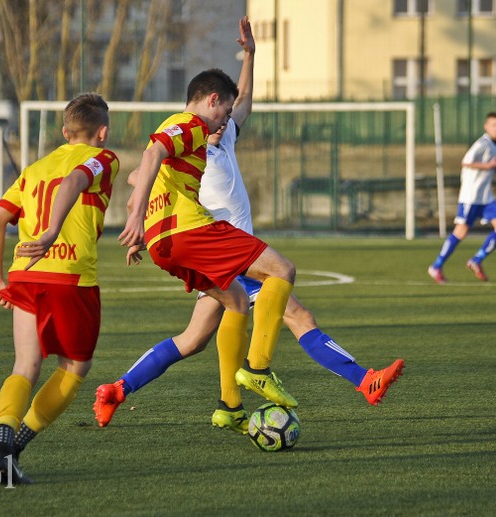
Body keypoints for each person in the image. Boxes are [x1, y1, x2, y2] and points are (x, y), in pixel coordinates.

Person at [94, 17, 404, 433]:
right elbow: (144, 169)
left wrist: (251, 55)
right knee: (297, 313)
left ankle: (123, 390)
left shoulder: (222, 141)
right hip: (218, 247)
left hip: (211, 251)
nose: (226, 121)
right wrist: (138, 214)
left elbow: (242, 105)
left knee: (195, 338)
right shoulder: (191, 137)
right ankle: (361, 380)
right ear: (211, 103)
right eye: (221, 113)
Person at [0, 93, 119, 484]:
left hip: (24, 274)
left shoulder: (34, 168)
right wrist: (53, 230)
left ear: (64, 132)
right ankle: (16, 447)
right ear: (102, 132)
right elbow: (76, 180)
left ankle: (1, 445)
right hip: (70, 277)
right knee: (76, 366)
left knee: (24, 366)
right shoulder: (104, 158)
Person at [428, 111, 496, 284]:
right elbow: (466, 162)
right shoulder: (482, 143)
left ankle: (476, 260)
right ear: (486, 126)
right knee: (460, 232)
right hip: (471, 196)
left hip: (485, 197)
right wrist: (488, 166)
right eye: (494, 125)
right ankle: (436, 266)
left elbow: (491, 165)